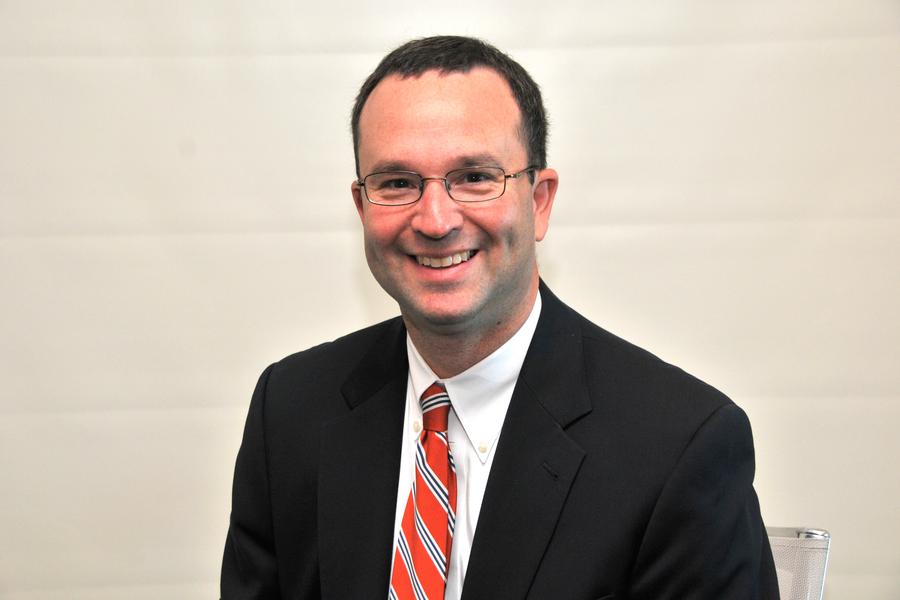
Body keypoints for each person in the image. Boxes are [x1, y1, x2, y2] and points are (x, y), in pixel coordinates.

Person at [221, 35, 779, 599]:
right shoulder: (289, 411)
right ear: (362, 206)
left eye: (474, 177)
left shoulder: (681, 447)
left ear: (539, 201)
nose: (436, 220)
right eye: (397, 183)